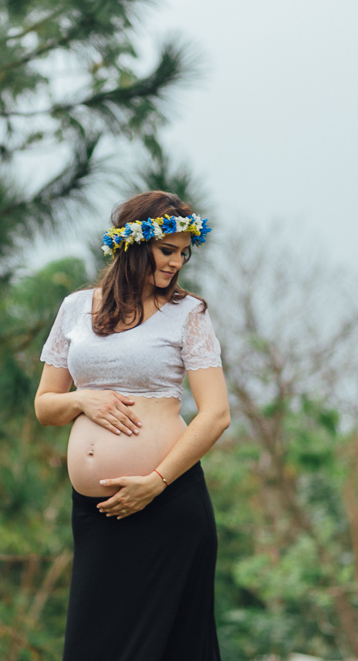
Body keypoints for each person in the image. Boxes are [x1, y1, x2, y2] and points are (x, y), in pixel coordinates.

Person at [34, 190, 231, 660]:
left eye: (184, 253)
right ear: (133, 244)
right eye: (168, 250)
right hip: (97, 514)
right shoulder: (76, 308)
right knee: (94, 646)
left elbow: (217, 414)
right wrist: (83, 400)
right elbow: (45, 406)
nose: (176, 263)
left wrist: (156, 482)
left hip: (167, 504)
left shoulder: (188, 314)